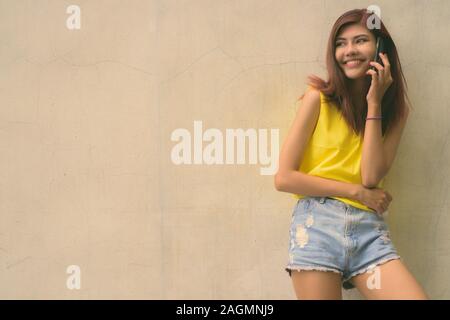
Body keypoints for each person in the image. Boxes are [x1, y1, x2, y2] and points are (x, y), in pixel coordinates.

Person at [274, 8, 428, 300]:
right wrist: (355, 192)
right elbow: (284, 178)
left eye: (360, 41)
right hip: (318, 226)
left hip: (369, 234)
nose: (349, 51)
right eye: (340, 44)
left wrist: (374, 104)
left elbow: (370, 176)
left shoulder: (396, 113)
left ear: (381, 49)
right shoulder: (316, 99)